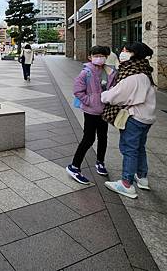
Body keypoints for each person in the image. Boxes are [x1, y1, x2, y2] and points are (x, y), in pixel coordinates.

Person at [101, 42, 157, 199]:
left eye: (125, 51)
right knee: (139, 147)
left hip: (135, 117)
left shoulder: (133, 75)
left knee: (129, 149)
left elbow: (115, 95)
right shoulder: (144, 71)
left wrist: (102, 95)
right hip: (147, 117)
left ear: (134, 54)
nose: (122, 53)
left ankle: (126, 184)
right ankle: (142, 177)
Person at [66, 46, 117, 185]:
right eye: (96, 55)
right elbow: (77, 91)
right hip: (90, 111)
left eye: (102, 55)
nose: (99, 58)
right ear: (90, 57)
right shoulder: (85, 73)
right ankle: (74, 166)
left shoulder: (110, 71)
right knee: (88, 139)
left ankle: (100, 162)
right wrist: (90, 101)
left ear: (106, 57)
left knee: (103, 137)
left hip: (104, 110)